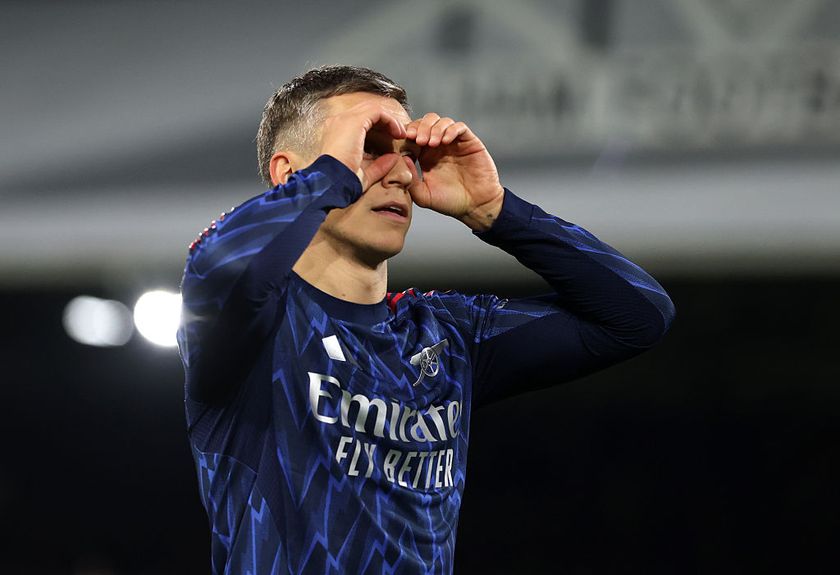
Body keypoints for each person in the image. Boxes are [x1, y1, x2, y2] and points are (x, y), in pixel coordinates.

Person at [177, 65, 675, 575]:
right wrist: (332, 176)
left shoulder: (446, 335)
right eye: (370, 148)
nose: (398, 173)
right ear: (290, 174)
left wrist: (495, 210)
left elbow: (639, 315)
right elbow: (219, 262)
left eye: (408, 156)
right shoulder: (249, 328)